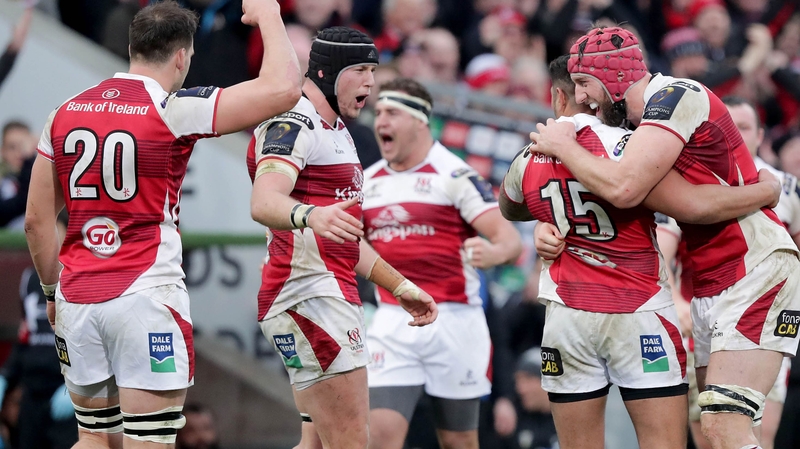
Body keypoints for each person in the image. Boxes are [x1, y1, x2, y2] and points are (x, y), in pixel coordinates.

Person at [23, 1, 302, 448]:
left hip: (78, 297)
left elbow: (37, 221)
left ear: (132, 46)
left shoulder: (65, 111)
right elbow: (284, 89)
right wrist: (269, 15)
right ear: (182, 56)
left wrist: (53, 292)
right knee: (148, 442)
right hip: (145, 296)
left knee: (93, 441)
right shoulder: (174, 108)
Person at [529, 27, 800, 449]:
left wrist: (565, 147)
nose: (580, 99)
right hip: (712, 279)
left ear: (614, 75)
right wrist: (546, 225)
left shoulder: (676, 95)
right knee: (715, 432)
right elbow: (688, 204)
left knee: (723, 426)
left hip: (755, 266)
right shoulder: (639, 131)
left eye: (584, 83)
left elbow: (623, 189)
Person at [247, 27, 438, 449]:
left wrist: (399, 286)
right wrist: (311, 215)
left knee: (315, 444)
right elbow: (264, 201)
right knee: (351, 443)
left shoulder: (339, 131)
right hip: (309, 298)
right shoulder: (294, 122)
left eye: (374, 69)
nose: (371, 82)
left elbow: (343, 237)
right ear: (327, 72)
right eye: (361, 70)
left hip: (324, 294)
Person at [361, 77, 522, 449]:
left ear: (420, 121)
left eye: (392, 113)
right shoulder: (367, 183)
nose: (380, 121)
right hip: (392, 322)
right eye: (378, 112)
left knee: (459, 442)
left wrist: (494, 253)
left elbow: (510, 241)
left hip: (455, 322)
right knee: (380, 438)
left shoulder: (454, 176)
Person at [0, 211, 78, 449]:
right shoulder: (30, 280)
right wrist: (6, 375)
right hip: (32, 393)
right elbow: (27, 337)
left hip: (67, 391)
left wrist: (76, 386)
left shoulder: (81, 280)